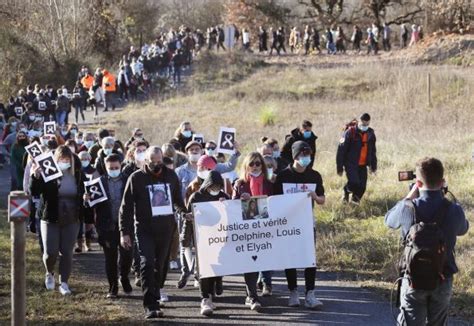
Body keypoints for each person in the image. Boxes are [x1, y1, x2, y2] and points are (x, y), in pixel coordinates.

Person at [385, 157, 469, 326]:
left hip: (413, 278)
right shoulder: (454, 209)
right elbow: (463, 229)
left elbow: (389, 221)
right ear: (443, 181)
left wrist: (409, 196)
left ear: (418, 183)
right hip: (443, 277)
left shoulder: (407, 207)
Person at [119, 146, 187, 319]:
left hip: (166, 229)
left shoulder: (171, 176)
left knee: (161, 266)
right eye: (153, 162)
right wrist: (124, 232)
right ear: (145, 161)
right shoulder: (136, 178)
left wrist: (184, 212)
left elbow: (178, 200)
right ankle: (150, 304)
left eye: (160, 161)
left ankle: (156, 295)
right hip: (144, 228)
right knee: (147, 263)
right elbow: (125, 208)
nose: (157, 165)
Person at [273, 141, 325, 309]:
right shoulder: (283, 176)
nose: (306, 158)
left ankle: (310, 293)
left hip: (307, 222)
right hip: (288, 223)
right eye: (303, 155)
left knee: (309, 259)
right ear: (295, 156)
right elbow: (274, 200)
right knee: (291, 258)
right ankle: (293, 292)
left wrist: (315, 197)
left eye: (308, 155)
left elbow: (322, 200)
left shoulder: (315, 176)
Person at [30, 146, 85, 295]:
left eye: (67, 160)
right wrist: (35, 177)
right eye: (61, 159)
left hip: (72, 219)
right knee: (50, 252)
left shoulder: (78, 175)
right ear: (56, 159)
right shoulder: (48, 173)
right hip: (50, 217)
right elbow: (34, 192)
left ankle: (64, 283)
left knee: (67, 252)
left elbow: (84, 193)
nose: (64, 162)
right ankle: (49, 273)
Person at [87, 154, 133, 298]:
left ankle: (124, 276)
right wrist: (86, 199)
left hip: (126, 225)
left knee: (127, 256)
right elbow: (90, 205)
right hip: (107, 226)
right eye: (110, 168)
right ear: (105, 168)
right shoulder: (98, 183)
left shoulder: (128, 181)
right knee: (110, 258)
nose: (113, 170)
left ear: (121, 166)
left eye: (116, 167)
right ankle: (113, 287)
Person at [232, 152, 274, 310]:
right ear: (246, 166)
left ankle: (264, 284)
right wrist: (239, 200)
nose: (255, 166)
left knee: (262, 259)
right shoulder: (239, 183)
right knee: (250, 261)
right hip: (246, 230)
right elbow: (232, 206)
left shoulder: (270, 184)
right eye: (252, 164)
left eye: (258, 163)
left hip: (265, 228)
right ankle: (252, 296)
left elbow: (278, 203)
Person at [186, 170, 229, 316]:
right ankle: (205, 298)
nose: (215, 190)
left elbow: (231, 216)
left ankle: (216, 284)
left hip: (220, 238)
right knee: (204, 268)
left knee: (217, 266)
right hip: (201, 239)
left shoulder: (224, 196)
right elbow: (188, 218)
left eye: (218, 187)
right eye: (212, 187)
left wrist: (227, 206)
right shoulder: (196, 197)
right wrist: (186, 239)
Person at [336, 113, 377, 204]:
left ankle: (354, 203)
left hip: (363, 165)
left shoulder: (370, 133)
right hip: (351, 164)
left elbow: (373, 151)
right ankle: (346, 191)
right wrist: (339, 167)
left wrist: (373, 166)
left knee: (362, 187)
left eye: (367, 124)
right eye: (363, 124)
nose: (365, 126)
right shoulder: (350, 132)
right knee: (354, 182)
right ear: (359, 121)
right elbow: (341, 151)